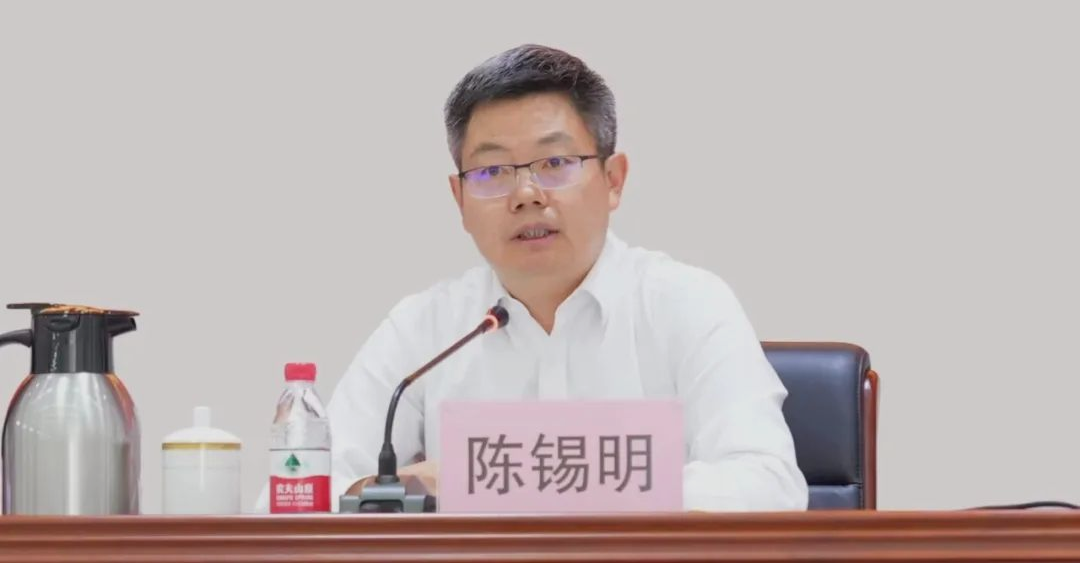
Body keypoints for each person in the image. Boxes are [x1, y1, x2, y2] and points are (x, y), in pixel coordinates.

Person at [329, 44, 807, 511]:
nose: (526, 194)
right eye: (492, 171)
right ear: (460, 200)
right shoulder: (423, 330)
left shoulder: (688, 304)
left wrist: (494, 479)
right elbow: (312, 488)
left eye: (555, 164)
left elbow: (768, 485)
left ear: (613, 180)